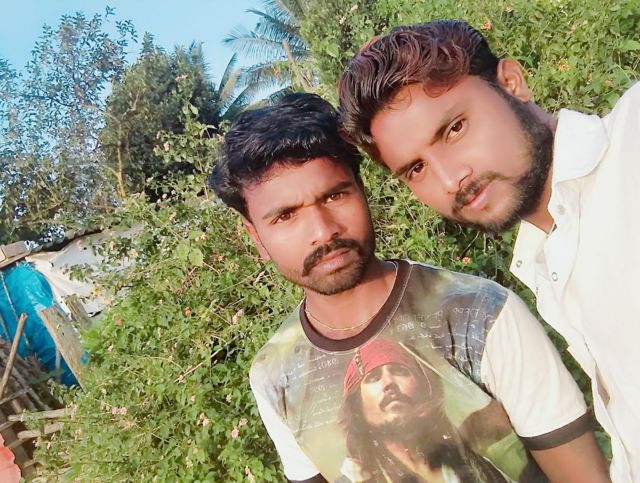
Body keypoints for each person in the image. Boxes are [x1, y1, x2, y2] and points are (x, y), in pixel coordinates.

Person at [208, 93, 609, 482]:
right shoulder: (276, 374)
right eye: (285, 216)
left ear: (361, 190)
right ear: (256, 237)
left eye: (334, 195)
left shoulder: (480, 314)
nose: (322, 230)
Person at [337, 20, 639, 482]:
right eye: (416, 168)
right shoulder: (541, 256)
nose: (449, 179)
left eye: (454, 129)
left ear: (512, 83)